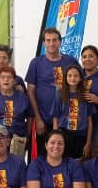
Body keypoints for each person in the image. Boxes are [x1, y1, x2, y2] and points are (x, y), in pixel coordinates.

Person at [26, 27, 79, 155]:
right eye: (48, 40)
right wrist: (38, 118)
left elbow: (82, 80)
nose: (51, 43)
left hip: (66, 121)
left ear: (60, 42)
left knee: (65, 157)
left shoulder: (70, 61)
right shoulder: (36, 63)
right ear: (44, 43)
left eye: (54, 40)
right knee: (43, 157)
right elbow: (30, 92)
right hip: (43, 121)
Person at [0, 66, 32, 159]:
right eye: (3, 77)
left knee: (16, 165)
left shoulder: (23, 97)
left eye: (9, 77)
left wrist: (27, 137)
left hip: (17, 140)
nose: (6, 80)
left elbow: (30, 117)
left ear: (14, 81)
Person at [51, 64, 93, 160]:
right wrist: (55, 138)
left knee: (78, 163)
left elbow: (90, 121)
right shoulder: (60, 94)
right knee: (63, 162)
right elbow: (55, 118)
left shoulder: (85, 95)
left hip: (80, 136)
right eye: (69, 75)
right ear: (65, 78)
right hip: (64, 135)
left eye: (76, 76)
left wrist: (88, 143)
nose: (72, 78)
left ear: (80, 78)